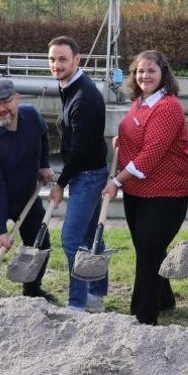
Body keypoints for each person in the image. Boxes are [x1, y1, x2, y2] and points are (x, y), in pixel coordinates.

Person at [102, 51, 188, 325]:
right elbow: (138, 133)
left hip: (168, 190)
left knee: (148, 251)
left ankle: (142, 317)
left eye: (151, 71)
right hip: (138, 189)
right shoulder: (141, 102)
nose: (145, 76)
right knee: (148, 248)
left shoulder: (167, 107)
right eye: (140, 71)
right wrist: (122, 140)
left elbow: (150, 155)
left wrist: (116, 182)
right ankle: (164, 298)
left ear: (163, 74)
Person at [0, 78, 55, 300]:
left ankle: (32, 289)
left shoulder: (32, 116)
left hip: (26, 193)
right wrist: (1, 231)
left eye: (5, 102)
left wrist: (44, 164)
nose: (0, 109)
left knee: (40, 243)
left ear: (17, 99)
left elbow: (43, 135)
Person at [48, 36, 109, 313]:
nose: (56, 65)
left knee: (72, 239)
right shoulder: (69, 87)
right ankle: (96, 294)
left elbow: (80, 150)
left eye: (62, 59)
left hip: (87, 175)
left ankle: (78, 302)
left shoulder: (84, 97)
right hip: (88, 172)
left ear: (77, 59)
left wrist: (60, 183)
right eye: (52, 59)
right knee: (91, 236)